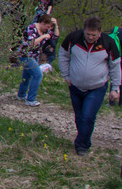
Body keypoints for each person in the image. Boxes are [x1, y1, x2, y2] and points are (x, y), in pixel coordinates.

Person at [58, 16, 121, 155]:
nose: (91, 37)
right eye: (88, 34)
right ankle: (84, 140)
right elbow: (63, 55)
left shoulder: (108, 43)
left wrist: (116, 88)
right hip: (75, 86)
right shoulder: (73, 38)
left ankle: (82, 146)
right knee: (79, 117)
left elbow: (115, 66)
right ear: (84, 30)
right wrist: (66, 75)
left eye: (94, 35)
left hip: (97, 88)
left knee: (88, 117)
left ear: (99, 33)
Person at [18, 13, 59, 106]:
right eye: (47, 26)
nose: (47, 29)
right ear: (43, 23)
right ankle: (31, 99)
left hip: (35, 55)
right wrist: (43, 37)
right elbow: (31, 44)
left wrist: (56, 25)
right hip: (25, 55)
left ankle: (21, 94)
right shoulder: (32, 28)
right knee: (38, 75)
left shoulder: (45, 31)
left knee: (27, 76)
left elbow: (55, 36)